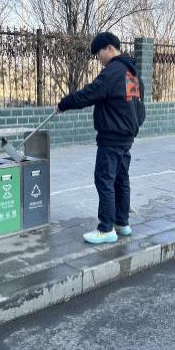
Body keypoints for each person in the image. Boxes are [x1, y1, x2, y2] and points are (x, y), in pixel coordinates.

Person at [57, 31, 145, 244]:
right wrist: (132, 128)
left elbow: (91, 93)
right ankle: (122, 223)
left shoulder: (113, 71)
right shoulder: (131, 73)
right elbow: (139, 110)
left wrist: (64, 103)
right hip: (126, 138)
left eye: (99, 54)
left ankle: (106, 228)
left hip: (111, 137)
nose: (99, 59)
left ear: (109, 48)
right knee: (121, 180)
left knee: (104, 180)